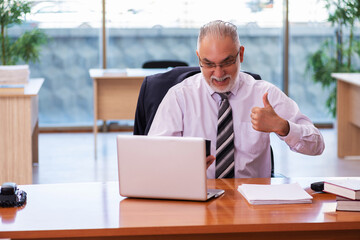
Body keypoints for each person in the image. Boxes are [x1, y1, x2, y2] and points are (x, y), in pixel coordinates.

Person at [148, 20, 325, 178]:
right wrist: (183, 165)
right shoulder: (180, 97)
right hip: (196, 197)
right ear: (198, 58)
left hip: (252, 202)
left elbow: (317, 145)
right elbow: (153, 157)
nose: (218, 74)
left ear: (240, 54)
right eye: (209, 64)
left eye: (226, 62)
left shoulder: (264, 94)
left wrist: (283, 127)